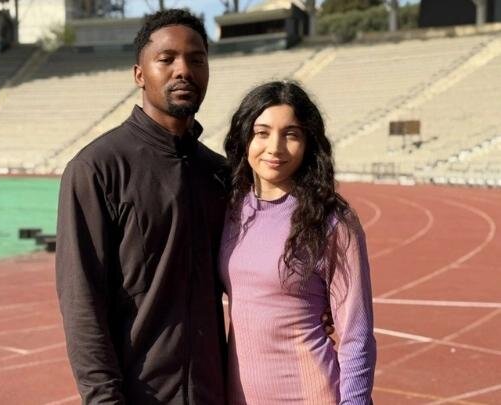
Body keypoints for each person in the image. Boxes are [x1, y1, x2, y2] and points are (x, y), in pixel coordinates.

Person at [55, 9, 229, 404]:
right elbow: (82, 301)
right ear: (139, 74)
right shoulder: (97, 169)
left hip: (213, 393)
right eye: (167, 59)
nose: (183, 70)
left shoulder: (219, 174)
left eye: (196, 59)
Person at [219, 81, 377, 404]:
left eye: (290, 134)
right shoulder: (229, 210)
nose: (274, 147)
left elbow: (356, 334)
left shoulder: (332, 221)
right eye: (262, 133)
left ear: (308, 144)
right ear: (245, 138)